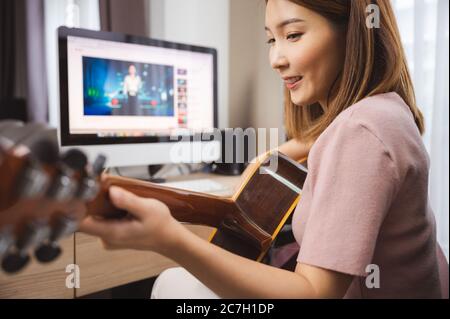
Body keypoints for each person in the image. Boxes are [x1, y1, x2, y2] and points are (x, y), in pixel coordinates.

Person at [80, 0, 448, 298]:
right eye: (272, 39)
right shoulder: (385, 111)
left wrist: (170, 240)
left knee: (171, 284)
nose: (276, 59)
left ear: (352, 33)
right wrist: (276, 155)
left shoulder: (360, 132)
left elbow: (313, 294)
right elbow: (330, 137)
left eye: (293, 35)